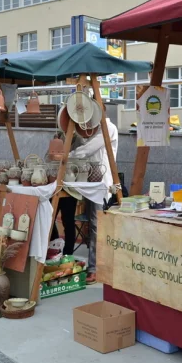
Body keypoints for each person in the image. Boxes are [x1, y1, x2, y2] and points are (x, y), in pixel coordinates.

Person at [67, 118, 119, 284]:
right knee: (92, 224)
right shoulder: (90, 130)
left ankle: (95, 269)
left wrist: (67, 156)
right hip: (88, 182)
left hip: (101, 184)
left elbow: (88, 150)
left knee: (97, 225)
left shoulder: (108, 128)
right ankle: (91, 266)